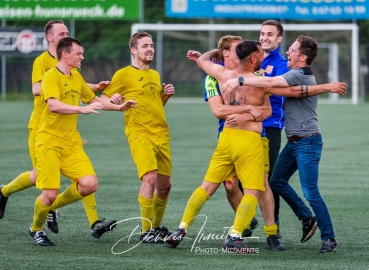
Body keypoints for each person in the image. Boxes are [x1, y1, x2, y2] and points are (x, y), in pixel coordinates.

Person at [222, 35, 347, 254]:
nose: (287, 52)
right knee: (276, 181)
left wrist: (241, 80)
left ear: (302, 57)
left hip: (307, 141)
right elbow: (273, 86)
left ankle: (329, 238)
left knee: (311, 191)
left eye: (292, 50)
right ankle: (307, 217)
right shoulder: (293, 73)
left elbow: (272, 84)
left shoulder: (300, 74)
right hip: (294, 142)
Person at [0, 20, 114, 238]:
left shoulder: (71, 63)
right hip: (42, 126)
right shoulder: (43, 62)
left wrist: (93, 88)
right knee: (37, 178)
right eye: (61, 32)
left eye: (67, 32)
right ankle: (5, 191)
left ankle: (94, 222)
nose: (65, 34)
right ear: (50, 38)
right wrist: (69, 94)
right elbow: (37, 89)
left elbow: (72, 83)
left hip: (67, 128)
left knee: (83, 178)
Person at [166, 40, 273, 253]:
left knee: (207, 186)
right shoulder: (260, 80)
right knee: (252, 191)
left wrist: (214, 52)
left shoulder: (220, 74)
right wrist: (250, 109)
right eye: (259, 54)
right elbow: (276, 101)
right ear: (252, 58)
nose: (262, 57)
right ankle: (234, 236)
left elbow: (202, 60)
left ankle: (181, 229)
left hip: (226, 138)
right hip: (248, 140)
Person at [29, 36, 136, 246]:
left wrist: (119, 108)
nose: (82, 57)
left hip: (70, 144)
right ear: (65, 54)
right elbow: (53, 105)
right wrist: (81, 109)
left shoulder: (76, 76)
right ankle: (36, 229)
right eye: (79, 53)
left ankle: (51, 207)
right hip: (48, 143)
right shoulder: (51, 76)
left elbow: (94, 100)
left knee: (89, 184)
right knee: (48, 194)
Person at [100, 32, 175, 243]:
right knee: (150, 177)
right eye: (145, 46)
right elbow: (102, 100)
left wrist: (165, 95)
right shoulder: (123, 74)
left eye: (151, 45)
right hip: (139, 132)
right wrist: (117, 105)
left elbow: (156, 105)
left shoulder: (155, 75)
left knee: (165, 185)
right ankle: (146, 231)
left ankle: (157, 227)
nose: (150, 49)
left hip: (161, 134)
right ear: (134, 50)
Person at [259, 20, 290, 237]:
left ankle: (274, 225)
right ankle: (246, 219)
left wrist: (256, 81)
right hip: (246, 124)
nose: (264, 37)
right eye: (262, 33)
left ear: (279, 38)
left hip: (270, 125)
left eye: (270, 34)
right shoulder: (252, 58)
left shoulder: (281, 62)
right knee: (236, 178)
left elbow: (278, 87)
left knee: (267, 178)